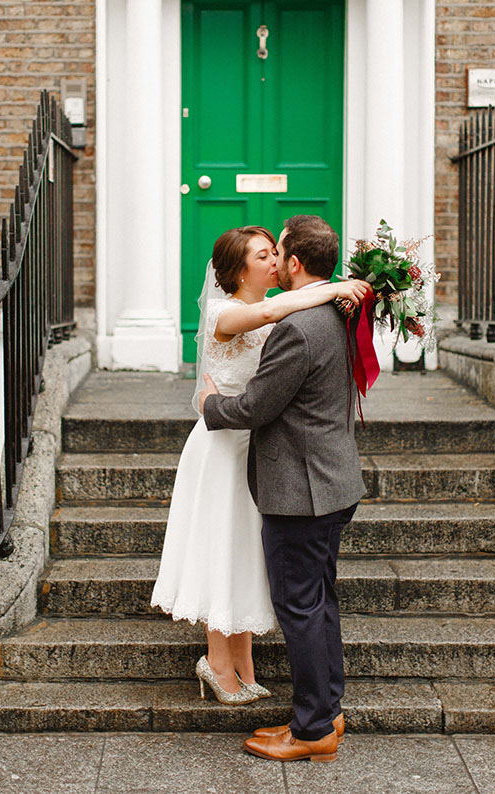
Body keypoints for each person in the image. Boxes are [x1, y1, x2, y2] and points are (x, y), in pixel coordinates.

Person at [151, 223, 369, 707]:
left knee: (248, 553)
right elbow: (270, 310)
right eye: (262, 255)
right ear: (237, 268)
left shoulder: (284, 316)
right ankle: (217, 662)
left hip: (264, 449)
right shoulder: (227, 312)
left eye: (276, 252)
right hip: (223, 444)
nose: (275, 261)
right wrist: (332, 287)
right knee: (221, 548)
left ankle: (245, 663)